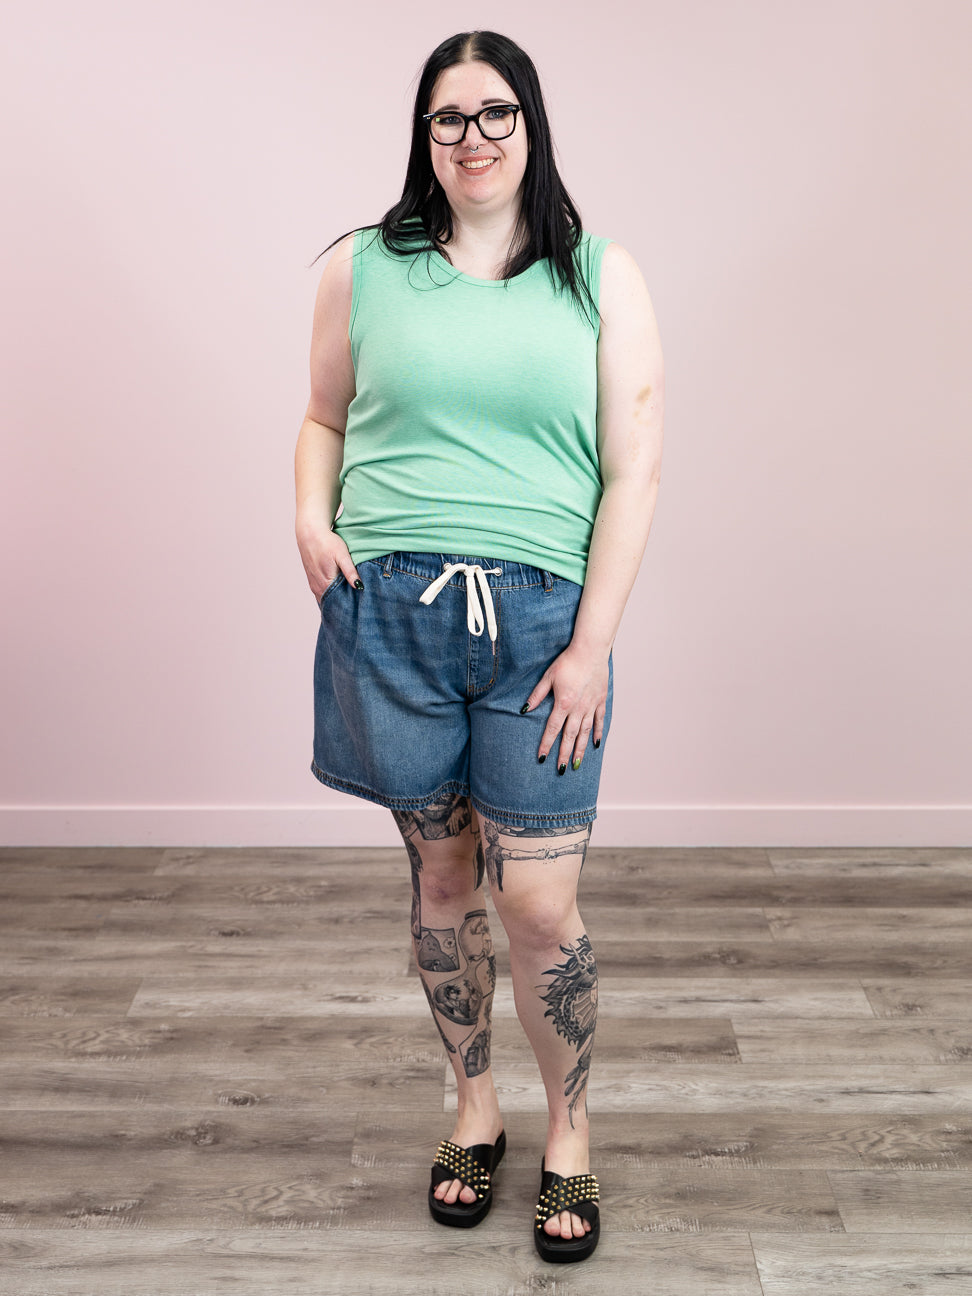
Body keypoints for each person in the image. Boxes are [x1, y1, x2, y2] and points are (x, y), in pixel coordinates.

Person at [294, 30, 664, 1264]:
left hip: (543, 627)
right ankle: (473, 1107)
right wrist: (310, 519)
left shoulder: (600, 276)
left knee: (541, 906)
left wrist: (594, 643)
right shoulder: (362, 266)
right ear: (425, 135)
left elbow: (635, 470)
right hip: (392, 616)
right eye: (449, 117)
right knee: (444, 886)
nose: (473, 137)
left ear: (531, 123)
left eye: (495, 112)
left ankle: (571, 1128)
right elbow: (323, 417)